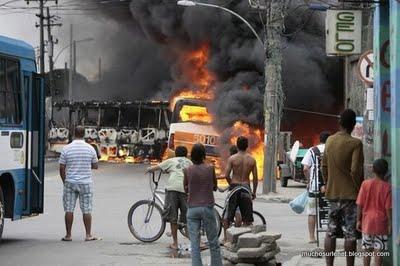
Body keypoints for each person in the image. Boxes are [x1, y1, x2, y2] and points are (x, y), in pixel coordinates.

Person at [322, 109, 364, 266]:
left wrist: (328, 183)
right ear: (353, 125)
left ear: (339, 123)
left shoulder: (330, 141)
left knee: (330, 232)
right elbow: (355, 171)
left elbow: (323, 166)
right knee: (350, 234)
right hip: (350, 196)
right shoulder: (355, 144)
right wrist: (358, 187)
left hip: (332, 194)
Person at [146, 146, 192, 250]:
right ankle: (195, 240)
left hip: (173, 189)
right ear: (186, 154)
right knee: (188, 217)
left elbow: (157, 167)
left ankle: (175, 243)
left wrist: (148, 170)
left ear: (175, 153)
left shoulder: (171, 160)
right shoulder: (190, 163)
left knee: (172, 217)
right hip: (186, 190)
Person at [184, 143, 222, 266]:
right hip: (207, 207)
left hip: (192, 209)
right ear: (203, 155)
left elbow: (185, 188)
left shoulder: (187, 170)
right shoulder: (210, 168)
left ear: (192, 155)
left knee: (195, 244)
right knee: (213, 242)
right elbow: (215, 186)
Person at [59, 126, 100, 242]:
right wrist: (86, 165)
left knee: (69, 209)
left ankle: (68, 235)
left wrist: (64, 181)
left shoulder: (66, 148)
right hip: (86, 182)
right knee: (87, 209)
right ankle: (88, 235)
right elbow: (96, 166)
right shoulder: (90, 148)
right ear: (84, 134)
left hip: (70, 182)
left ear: (73, 133)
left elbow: (62, 167)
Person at [222, 136, 258, 243]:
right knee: (247, 218)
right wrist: (253, 192)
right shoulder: (252, 159)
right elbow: (255, 178)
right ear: (247, 146)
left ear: (237, 146)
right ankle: (245, 240)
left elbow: (227, 175)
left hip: (234, 186)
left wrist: (231, 184)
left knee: (227, 216)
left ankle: (226, 239)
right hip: (246, 188)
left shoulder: (232, 159)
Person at [356, 159, 392, 266]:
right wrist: (390, 224)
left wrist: (358, 220)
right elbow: (388, 208)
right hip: (381, 223)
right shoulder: (387, 187)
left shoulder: (365, 184)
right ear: (386, 172)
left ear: (373, 170)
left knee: (367, 249)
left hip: (367, 222)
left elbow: (359, 204)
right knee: (379, 250)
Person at [301, 131, 330, 243]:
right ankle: (329, 236)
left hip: (314, 188)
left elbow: (305, 168)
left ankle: (312, 237)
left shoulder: (312, 151)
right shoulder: (332, 150)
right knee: (329, 211)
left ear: (319, 140)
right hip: (330, 187)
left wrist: (309, 181)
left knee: (312, 212)